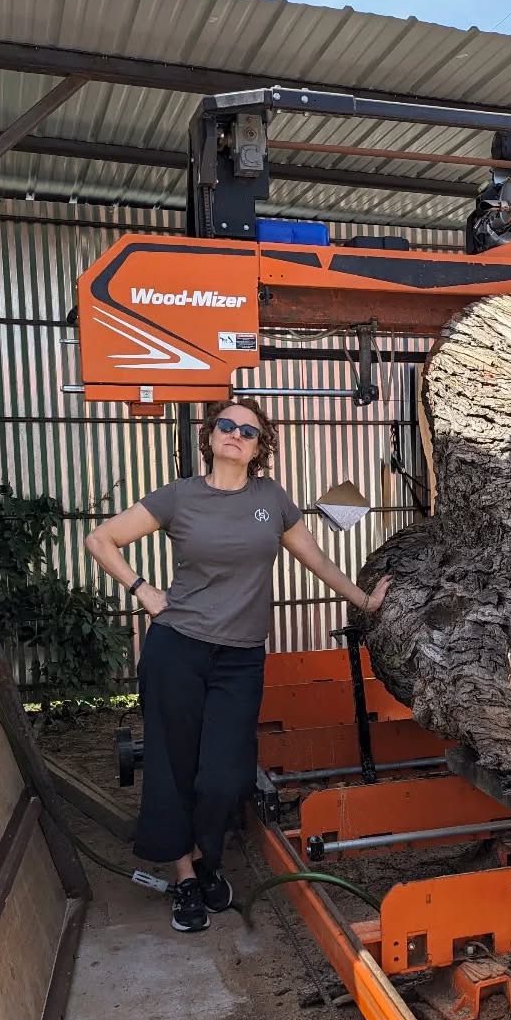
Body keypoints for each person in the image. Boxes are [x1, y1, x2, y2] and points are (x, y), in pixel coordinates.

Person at [85, 399, 390, 933]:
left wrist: (363, 602)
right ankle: (187, 876)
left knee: (224, 776)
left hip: (240, 658)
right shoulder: (179, 496)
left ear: (258, 446)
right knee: (173, 765)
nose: (235, 434)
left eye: (247, 431)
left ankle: (205, 858)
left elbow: (314, 559)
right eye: (225, 425)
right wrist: (143, 591)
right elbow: (100, 538)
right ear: (209, 436)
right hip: (176, 648)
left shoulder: (270, 499)